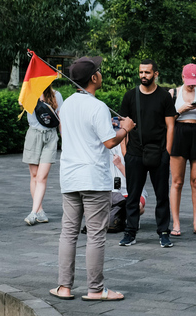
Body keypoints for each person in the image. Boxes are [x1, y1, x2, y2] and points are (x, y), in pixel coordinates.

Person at [50, 56, 134, 301]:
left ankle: (64, 287)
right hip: (94, 178)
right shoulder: (97, 106)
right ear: (93, 78)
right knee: (96, 234)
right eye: (98, 70)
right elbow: (110, 142)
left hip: (69, 176)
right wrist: (125, 128)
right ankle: (95, 290)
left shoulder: (65, 106)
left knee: (69, 232)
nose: (101, 73)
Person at [118, 59, 176, 248]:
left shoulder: (164, 97)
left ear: (156, 74)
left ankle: (163, 232)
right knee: (132, 195)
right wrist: (125, 152)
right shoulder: (129, 96)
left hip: (159, 153)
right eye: (141, 72)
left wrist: (167, 152)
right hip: (135, 153)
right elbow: (123, 126)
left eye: (147, 73)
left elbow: (170, 126)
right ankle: (130, 232)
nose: (143, 76)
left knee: (162, 195)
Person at [169, 64, 196, 236]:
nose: (192, 85)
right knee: (177, 181)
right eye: (189, 81)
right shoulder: (173, 94)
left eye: (195, 82)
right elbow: (167, 120)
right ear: (182, 77)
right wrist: (181, 109)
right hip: (179, 133)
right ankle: (176, 224)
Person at [22, 84, 63, 226]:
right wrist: (36, 95)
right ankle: (39, 210)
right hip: (33, 135)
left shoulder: (56, 95)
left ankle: (33, 213)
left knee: (41, 177)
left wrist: (63, 139)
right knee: (34, 176)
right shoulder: (29, 93)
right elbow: (23, 105)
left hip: (50, 137)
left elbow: (60, 119)